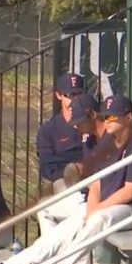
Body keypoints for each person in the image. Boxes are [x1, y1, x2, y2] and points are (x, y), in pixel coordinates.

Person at [0, 95, 132, 264]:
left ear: (128, 118)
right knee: (63, 230)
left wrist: (96, 210)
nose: (107, 121)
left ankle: (64, 263)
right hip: (108, 206)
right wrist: (92, 208)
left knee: (97, 219)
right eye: (106, 116)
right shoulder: (107, 143)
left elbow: (131, 192)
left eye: (112, 117)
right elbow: (96, 183)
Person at [37, 94, 104, 236]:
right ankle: (54, 255)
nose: (77, 127)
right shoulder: (90, 141)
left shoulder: (112, 139)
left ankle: (61, 254)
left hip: (103, 203)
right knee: (44, 207)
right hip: (87, 195)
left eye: (80, 122)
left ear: (92, 114)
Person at [38, 73, 89, 193]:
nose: (75, 99)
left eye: (79, 94)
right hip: (63, 181)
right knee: (62, 187)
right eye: (70, 95)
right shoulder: (48, 130)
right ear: (59, 95)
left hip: (93, 176)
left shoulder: (92, 121)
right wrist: (72, 169)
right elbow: (48, 168)